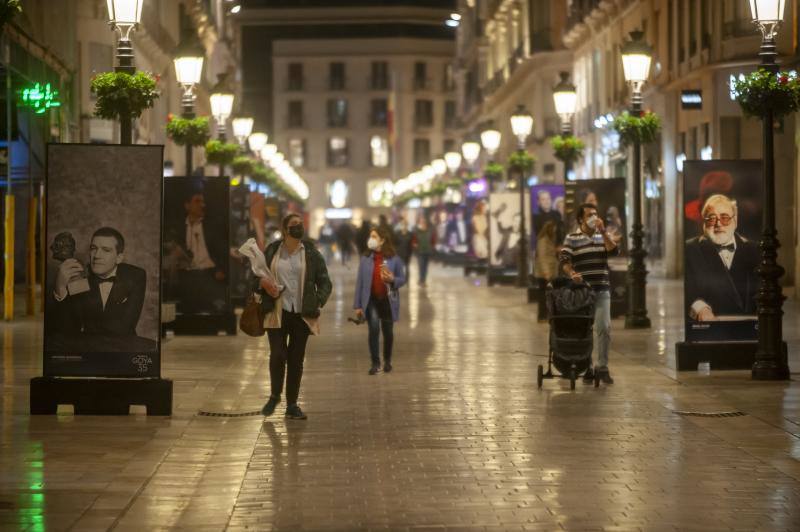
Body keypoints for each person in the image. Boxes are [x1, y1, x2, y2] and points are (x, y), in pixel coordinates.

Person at [257, 213, 333, 420]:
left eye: (300, 225)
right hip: (277, 312)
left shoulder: (311, 253)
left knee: (296, 359)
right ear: (285, 229)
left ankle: (292, 404)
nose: (299, 228)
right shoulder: (273, 250)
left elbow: (326, 282)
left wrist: (316, 300)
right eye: (294, 225)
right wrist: (262, 283)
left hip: (302, 314)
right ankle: (274, 395)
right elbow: (257, 275)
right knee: (278, 354)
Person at [48, 227, 154, 352]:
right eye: (94, 248)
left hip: (122, 348)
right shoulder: (80, 277)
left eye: (106, 250)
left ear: (119, 258)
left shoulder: (135, 275)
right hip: (89, 349)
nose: (97, 255)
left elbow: (124, 328)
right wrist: (60, 287)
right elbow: (68, 330)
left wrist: (89, 330)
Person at [560, 203, 619, 384]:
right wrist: (572, 274)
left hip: (602, 289)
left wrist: (603, 232)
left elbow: (614, 252)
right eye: (589, 215)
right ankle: (587, 366)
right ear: (580, 219)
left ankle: (602, 367)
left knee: (604, 328)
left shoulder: (603, 236)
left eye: (595, 214)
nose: (593, 217)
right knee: (584, 331)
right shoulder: (572, 238)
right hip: (582, 293)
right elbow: (564, 260)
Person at [685, 194, 758, 321]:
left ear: (735, 221)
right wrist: (701, 309)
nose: (718, 224)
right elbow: (688, 290)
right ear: (704, 224)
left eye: (725, 218)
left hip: (749, 326)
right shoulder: (691, 249)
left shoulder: (754, 249)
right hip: (711, 328)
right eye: (711, 219)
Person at [353, 226, 407, 375]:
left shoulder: (394, 259)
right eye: (371, 236)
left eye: (374, 236)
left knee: (388, 332)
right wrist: (357, 305)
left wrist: (392, 279)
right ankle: (375, 363)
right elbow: (360, 282)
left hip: (388, 300)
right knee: (374, 328)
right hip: (371, 300)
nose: (371, 239)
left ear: (382, 240)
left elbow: (402, 279)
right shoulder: (365, 259)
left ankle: (387, 360)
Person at [166, 187, 228, 314]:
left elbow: (223, 249)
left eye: (203, 202)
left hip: (210, 275)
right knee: (187, 311)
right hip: (187, 276)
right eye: (197, 201)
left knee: (213, 311)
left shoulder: (213, 225)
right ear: (187, 205)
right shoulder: (178, 227)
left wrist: (222, 269)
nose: (202, 205)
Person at [412, 217, 434, 286]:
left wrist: (432, 247)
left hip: (428, 252)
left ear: (426, 223)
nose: (423, 224)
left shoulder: (429, 231)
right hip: (420, 252)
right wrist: (415, 245)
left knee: (425, 267)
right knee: (421, 267)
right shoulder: (417, 231)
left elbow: (433, 240)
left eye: (424, 222)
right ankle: (421, 281)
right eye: (421, 222)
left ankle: (423, 280)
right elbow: (414, 240)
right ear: (420, 223)